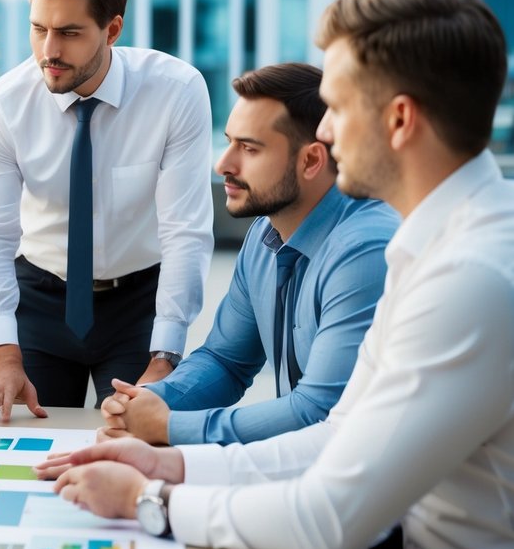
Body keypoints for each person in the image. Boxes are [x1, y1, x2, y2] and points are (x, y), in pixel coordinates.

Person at [36, 0, 514, 549]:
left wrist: (145, 502)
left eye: (337, 107)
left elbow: (330, 520)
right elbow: (337, 437)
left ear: (399, 119)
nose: (325, 133)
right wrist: (168, 465)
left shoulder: (470, 275)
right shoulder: (430, 245)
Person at [0, 0, 213, 423]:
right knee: (24, 443)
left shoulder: (177, 92)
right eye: (39, 29)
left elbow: (186, 231)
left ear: (112, 30)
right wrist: (2, 354)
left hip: (137, 303)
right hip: (39, 297)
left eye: (69, 33)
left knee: (129, 437)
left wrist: (165, 356)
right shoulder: (4, 104)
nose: (49, 51)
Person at [99, 63, 397, 445]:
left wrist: (168, 426)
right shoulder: (264, 236)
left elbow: (319, 413)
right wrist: (151, 401)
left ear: (311, 161)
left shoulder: (365, 251)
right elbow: (225, 361)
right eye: (229, 142)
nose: (223, 164)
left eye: (249, 148)